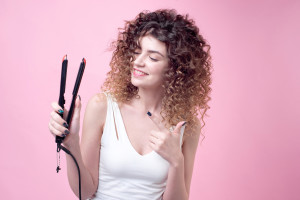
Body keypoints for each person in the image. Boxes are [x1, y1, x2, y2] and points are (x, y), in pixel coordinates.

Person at [48, 9, 212, 200]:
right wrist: (72, 142)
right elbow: (84, 193)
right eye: (136, 51)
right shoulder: (102, 107)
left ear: (176, 69)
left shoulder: (186, 126)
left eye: (152, 57)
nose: (138, 62)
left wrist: (176, 161)